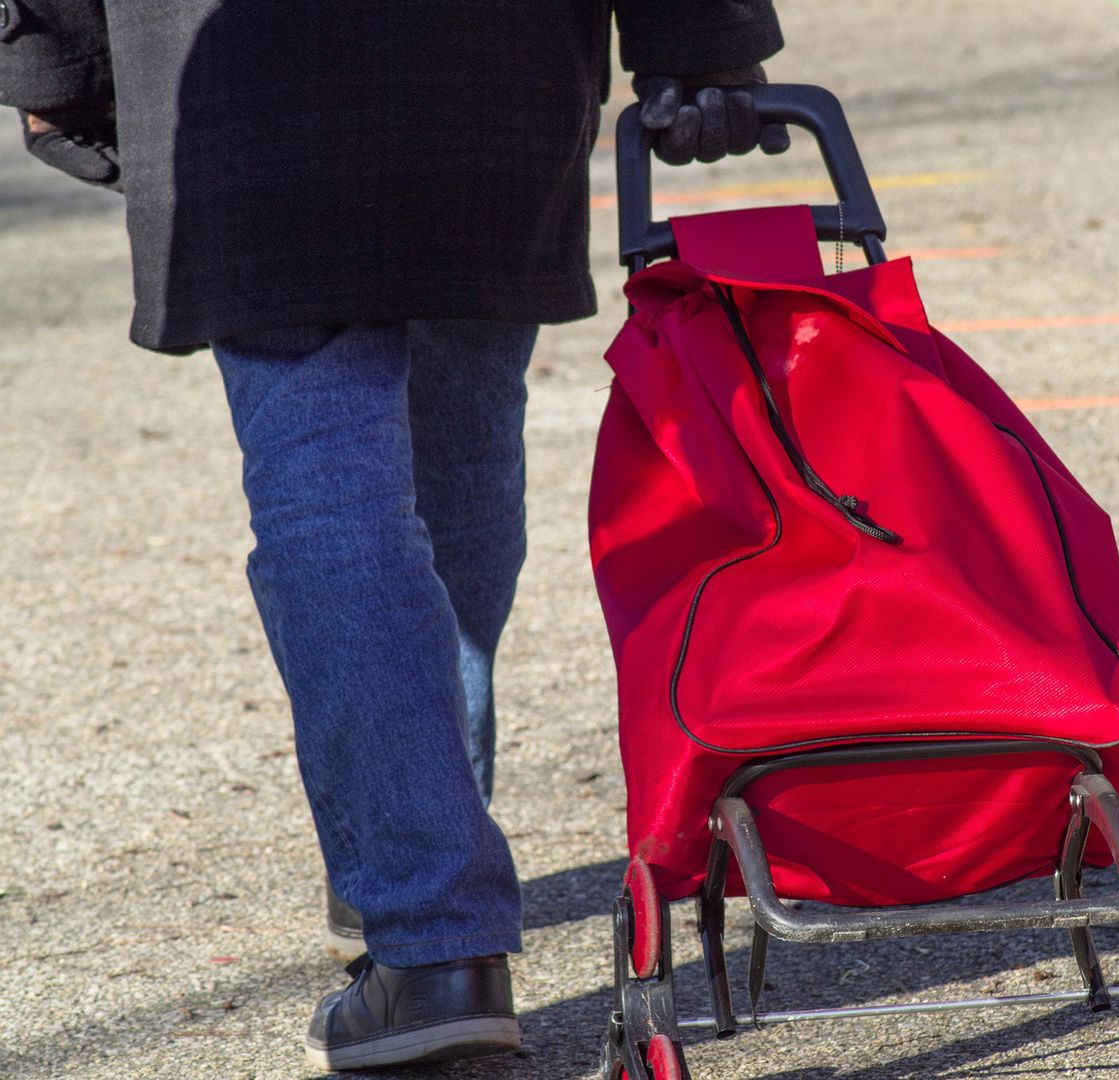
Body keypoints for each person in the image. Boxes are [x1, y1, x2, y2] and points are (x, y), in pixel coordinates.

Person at [1, 0, 787, 1070]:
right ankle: (410, 828)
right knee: (455, 464)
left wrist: (55, 59)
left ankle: (429, 932)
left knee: (329, 483)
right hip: (489, 65)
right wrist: (699, 39)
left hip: (245, 71)